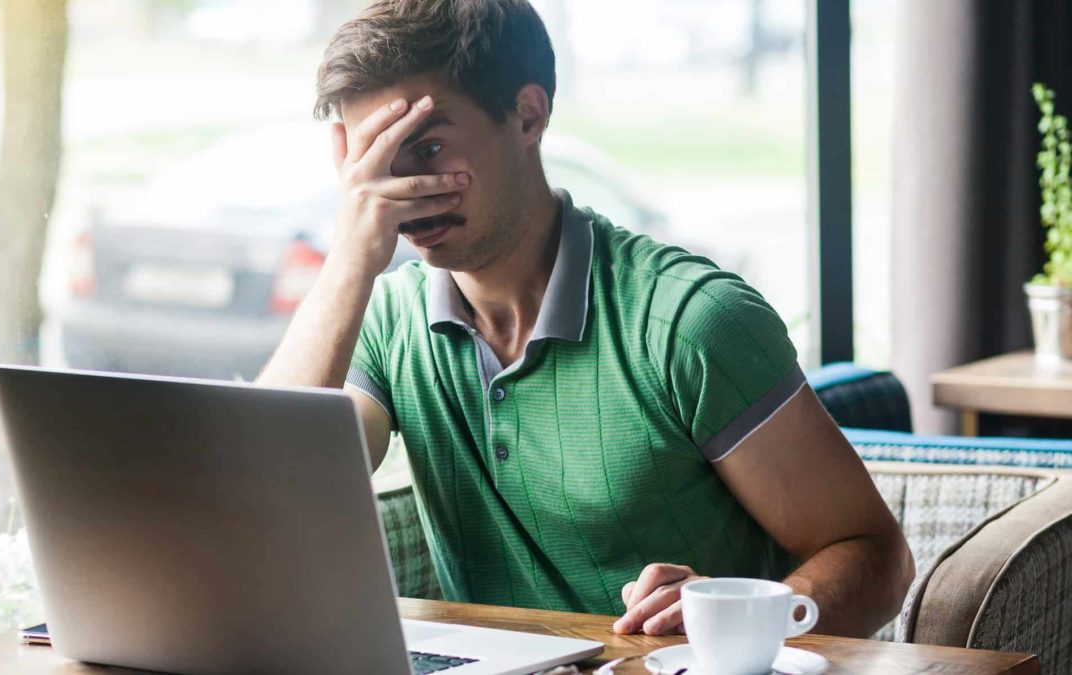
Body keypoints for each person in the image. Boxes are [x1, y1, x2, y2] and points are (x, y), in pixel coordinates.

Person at [258, 0, 914, 638]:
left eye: (426, 150)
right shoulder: (383, 319)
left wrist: (738, 613)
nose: (399, 193)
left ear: (528, 115)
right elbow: (264, 492)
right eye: (374, 161)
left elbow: (878, 557)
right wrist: (348, 263)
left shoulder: (691, 322)